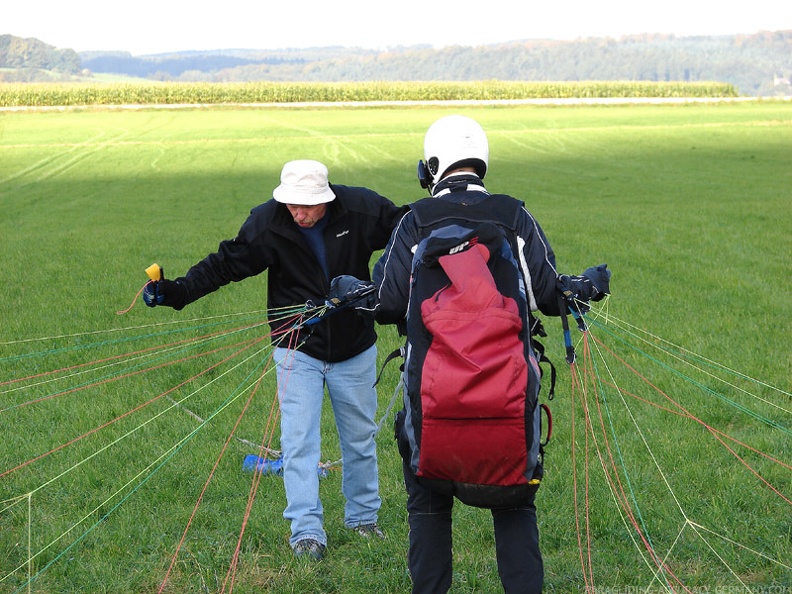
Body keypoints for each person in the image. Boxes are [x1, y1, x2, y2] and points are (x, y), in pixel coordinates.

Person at [373, 115, 611, 593]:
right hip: (507, 400)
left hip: (433, 400)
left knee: (428, 511)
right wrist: (587, 283)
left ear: (432, 166)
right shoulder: (514, 217)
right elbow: (548, 295)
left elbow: (386, 303)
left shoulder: (414, 220)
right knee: (516, 509)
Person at [143, 159, 408, 560]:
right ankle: (306, 532)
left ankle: (363, 520)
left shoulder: (361, 210)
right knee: (298, 441)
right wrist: (176, 292)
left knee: (359, 438)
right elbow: (224, 264)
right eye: (292, 205)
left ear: (327, 197)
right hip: (295, 348)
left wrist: (382, 278)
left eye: (308, 206)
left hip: (355, 347)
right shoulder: (269, 223)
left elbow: (409, 231)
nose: (299, 213)